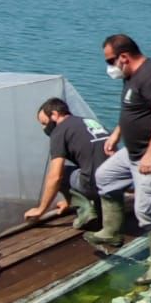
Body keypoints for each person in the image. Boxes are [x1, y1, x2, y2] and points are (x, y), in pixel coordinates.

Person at [85, 34, 151, 286]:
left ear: (124, 57)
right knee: (105, 177)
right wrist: (116, 135)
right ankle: (112, 232)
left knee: (146, 211)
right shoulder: (130, 76)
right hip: (132, 152)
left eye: (110, 61)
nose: (109, 67)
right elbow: (132, 110)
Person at [27, 98, 112, 230]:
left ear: (54, 115)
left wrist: (40, 210)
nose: (44, 128)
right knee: (88, 165)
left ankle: (85, 208)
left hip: (95, 186)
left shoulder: (59, 131)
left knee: (63, 173)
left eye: (44, 123)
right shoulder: (89, 122)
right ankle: (81, 203)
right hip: (116, 183)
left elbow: (55, 177)